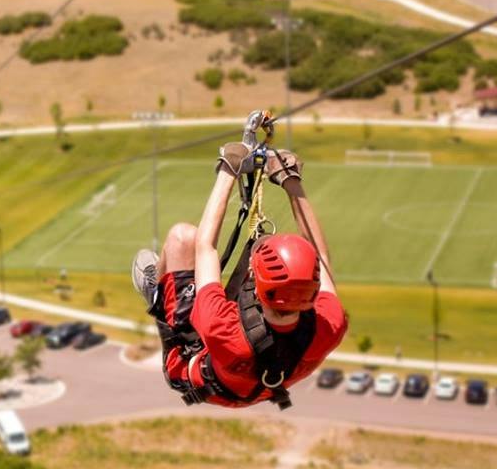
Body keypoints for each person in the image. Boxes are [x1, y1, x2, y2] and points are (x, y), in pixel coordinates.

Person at [130, 142, 347, 409]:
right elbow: (321, 255)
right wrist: (289, 179)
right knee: (247, 252)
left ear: (256, 287)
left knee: (182, 237)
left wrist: (229, 169)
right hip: (254, 379)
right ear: (314, 289)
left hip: (193, 366)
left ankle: (159, 294)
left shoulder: (222, 326)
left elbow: (205, 247)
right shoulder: (329, 325)